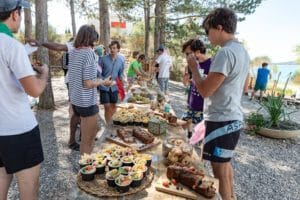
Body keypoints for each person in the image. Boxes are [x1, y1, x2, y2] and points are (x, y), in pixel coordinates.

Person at [187, 8, 250, 200]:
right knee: (225, 167)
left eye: (208, 31)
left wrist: (194, 69)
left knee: (219, 170)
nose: (208, 36)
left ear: (220, 28)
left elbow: (205, 91)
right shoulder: (243, 52)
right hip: (232, 116)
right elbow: (244, 87)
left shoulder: (225, 53)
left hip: (222, 120)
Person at [0, 1, 49, 199]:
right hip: (19, 131)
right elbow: (35, 90)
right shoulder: (12, 46)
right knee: (29, 190)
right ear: (15, 14)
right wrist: (44, 74)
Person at [26, 36, 81, 151]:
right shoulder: (74, 45)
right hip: (74, 82)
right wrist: (40, 42)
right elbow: (57, 46)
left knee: (83, 112)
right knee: (76, 111)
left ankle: (84, 136)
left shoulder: (91, 48)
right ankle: (72, 140)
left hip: (86, 84)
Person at [68, 25, 109, 155]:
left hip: (75, 100)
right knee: (88, 141)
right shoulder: (90, 54)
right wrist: (103, 81)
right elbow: (88, 83)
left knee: (94, 129)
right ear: (90, 38)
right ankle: (85, 171)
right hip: (86, 103)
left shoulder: (74, 52)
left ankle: (85, 166)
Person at [181, 39, 211, 138]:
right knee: (182, 126)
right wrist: (186, 79)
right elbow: (187, 83)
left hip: (203, 108)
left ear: (197, 52)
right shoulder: (192, 64)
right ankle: (189, 135)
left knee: (199, 138)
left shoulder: (212, 65)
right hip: (191, 103)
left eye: (188, 54)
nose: (187, 57)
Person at [98, 40, 125, 125]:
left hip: (114, 87)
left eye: (114, 48)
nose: (112, 50)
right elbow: (98, 73)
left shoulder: (121, 60)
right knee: (107, 107)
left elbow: (121, 75)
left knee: (113, 106)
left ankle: (113, 123)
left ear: (118, 50)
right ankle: (108, 126)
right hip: (104, 87)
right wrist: (104, 81)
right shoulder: (102, 59)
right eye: (111, 48)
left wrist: (116, 82)